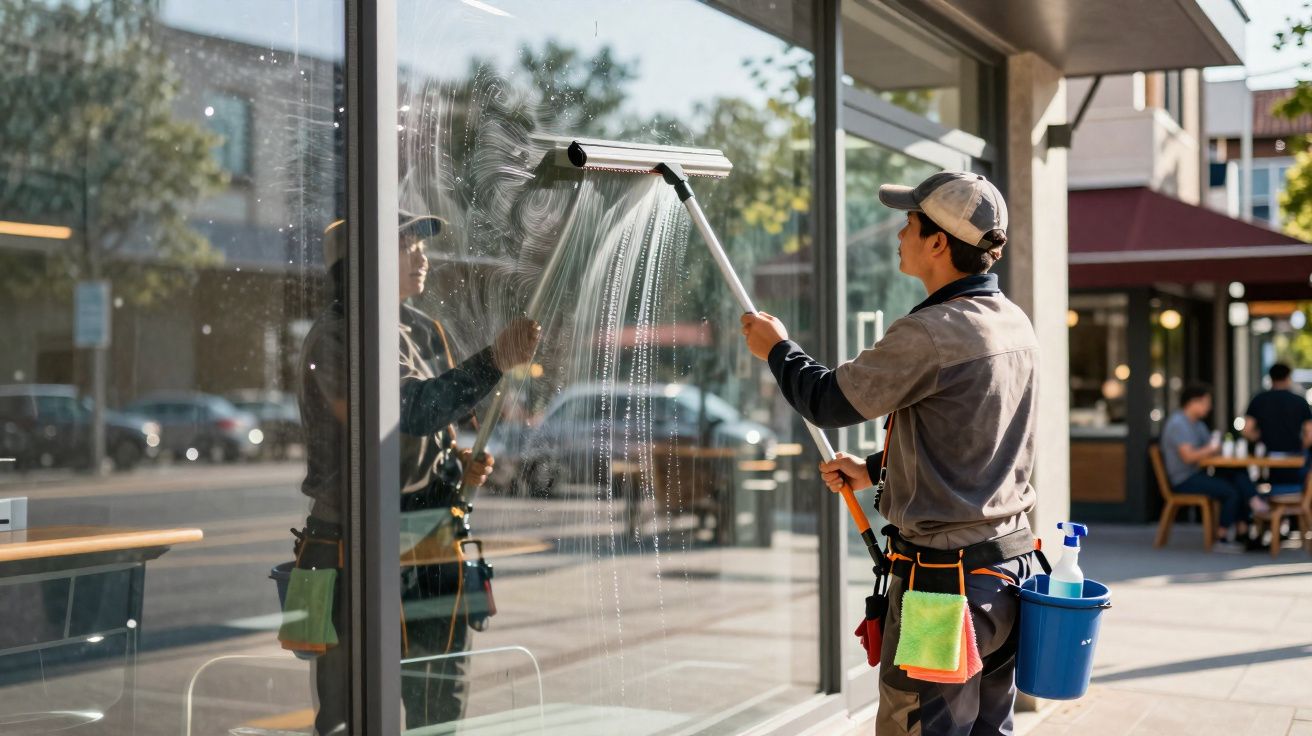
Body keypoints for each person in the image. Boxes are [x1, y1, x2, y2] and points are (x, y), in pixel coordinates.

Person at [741, 171, 1041, 735]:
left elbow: (828, 400)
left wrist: (776, 349)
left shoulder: (933, 331)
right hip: (1007, 578)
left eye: (908, 225)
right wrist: (874, 470)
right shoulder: (1012, 322)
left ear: (938, 243)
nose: (898, 236)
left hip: (942, 594)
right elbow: (978, 439)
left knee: (919, 727)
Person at [296, 214, 540, 734]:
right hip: (354, 541)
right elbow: (411, 410)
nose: (420, 255)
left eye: (418, 244)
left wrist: (454, 466)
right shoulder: (336, 339)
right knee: (351, 707)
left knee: (439, 698)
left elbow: (436, 427)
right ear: (358, 265)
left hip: (429, 534)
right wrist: (496, 357)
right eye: (404, 245)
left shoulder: (423, 330)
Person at [1162, 383, 1260, 547]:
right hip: (1184, 479)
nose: (1209, 407)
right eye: (1206, 403)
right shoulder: (1178, 424)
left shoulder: (1197, 424)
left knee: (1236, 476)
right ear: (1193, 402)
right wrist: (1211, 449)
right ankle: (1222, 537)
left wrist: (1213, 448)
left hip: (1197, 473)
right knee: (1231, 491)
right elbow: (1188, 457)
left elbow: (1212, 447)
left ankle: (1243, 529)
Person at [1242, 363, 1312, 488]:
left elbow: (1246, 430)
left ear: (1271, 378)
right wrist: (1302, 447)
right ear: (1288, 377)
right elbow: (1310, 434)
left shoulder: (1259, 399)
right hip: (1293, 456)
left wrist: (1258, 438)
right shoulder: (1299, 401)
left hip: (1266, 458)